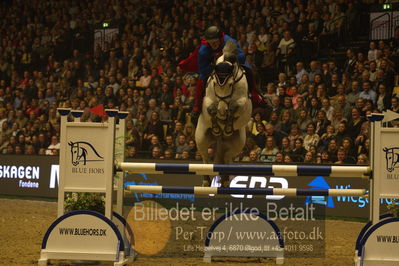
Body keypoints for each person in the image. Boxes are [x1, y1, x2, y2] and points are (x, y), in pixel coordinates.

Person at [179, 25, 262, 115]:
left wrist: (230, 58)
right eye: (211, 42)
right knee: (201, 79)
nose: (213, 45)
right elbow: (203, 70)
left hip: (231, 63)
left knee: (249, 71)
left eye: (215, 42)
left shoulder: (230, 42)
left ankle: (256, 96)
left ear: (220, 39)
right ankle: (197, 106)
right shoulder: (203, 50)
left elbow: (241, 57)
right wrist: (215, 66)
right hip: (213, 66)